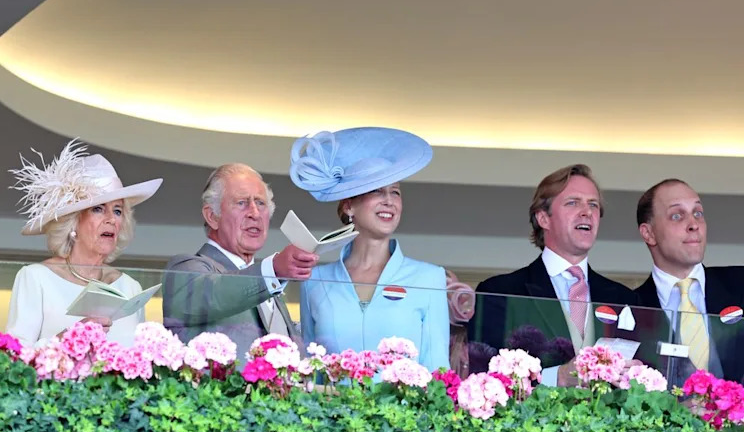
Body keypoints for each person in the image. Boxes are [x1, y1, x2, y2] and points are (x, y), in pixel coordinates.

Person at [290, 127, 458, 371]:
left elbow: (437, 370)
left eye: (395, 192)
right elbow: (310, 368)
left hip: (403, 409)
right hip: (332, 408)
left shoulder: (429, 278)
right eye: (376, 190)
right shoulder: (314, 280)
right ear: (349, 206)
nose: (389, 200)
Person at [475, 164, 640, 383]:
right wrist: (558, 377)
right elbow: (485, 379)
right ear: (543, 218)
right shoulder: (500, 293)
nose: (586, 212)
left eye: (593, 204)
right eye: (573, 203)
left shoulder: (624, 299)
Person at [5, 140, 162, 347]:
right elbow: (14, 359)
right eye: (98, 208)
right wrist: (71, 338)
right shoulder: (36, 278)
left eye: (117, 210)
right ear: (73, 221)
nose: (111, 219)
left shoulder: (131, 287)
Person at [163, 163, 318, 362]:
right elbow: (217, 293)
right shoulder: (186, 268)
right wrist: (274, 270)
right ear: (212, 216)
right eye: (242, 202)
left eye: (260, 203)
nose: (255, 213)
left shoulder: (270, 282)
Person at [635, 179, 744, 384]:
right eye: (677, 216)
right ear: (648, 233)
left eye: (698, 213)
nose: (694, 224)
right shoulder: (631, 308)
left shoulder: (740, 284)